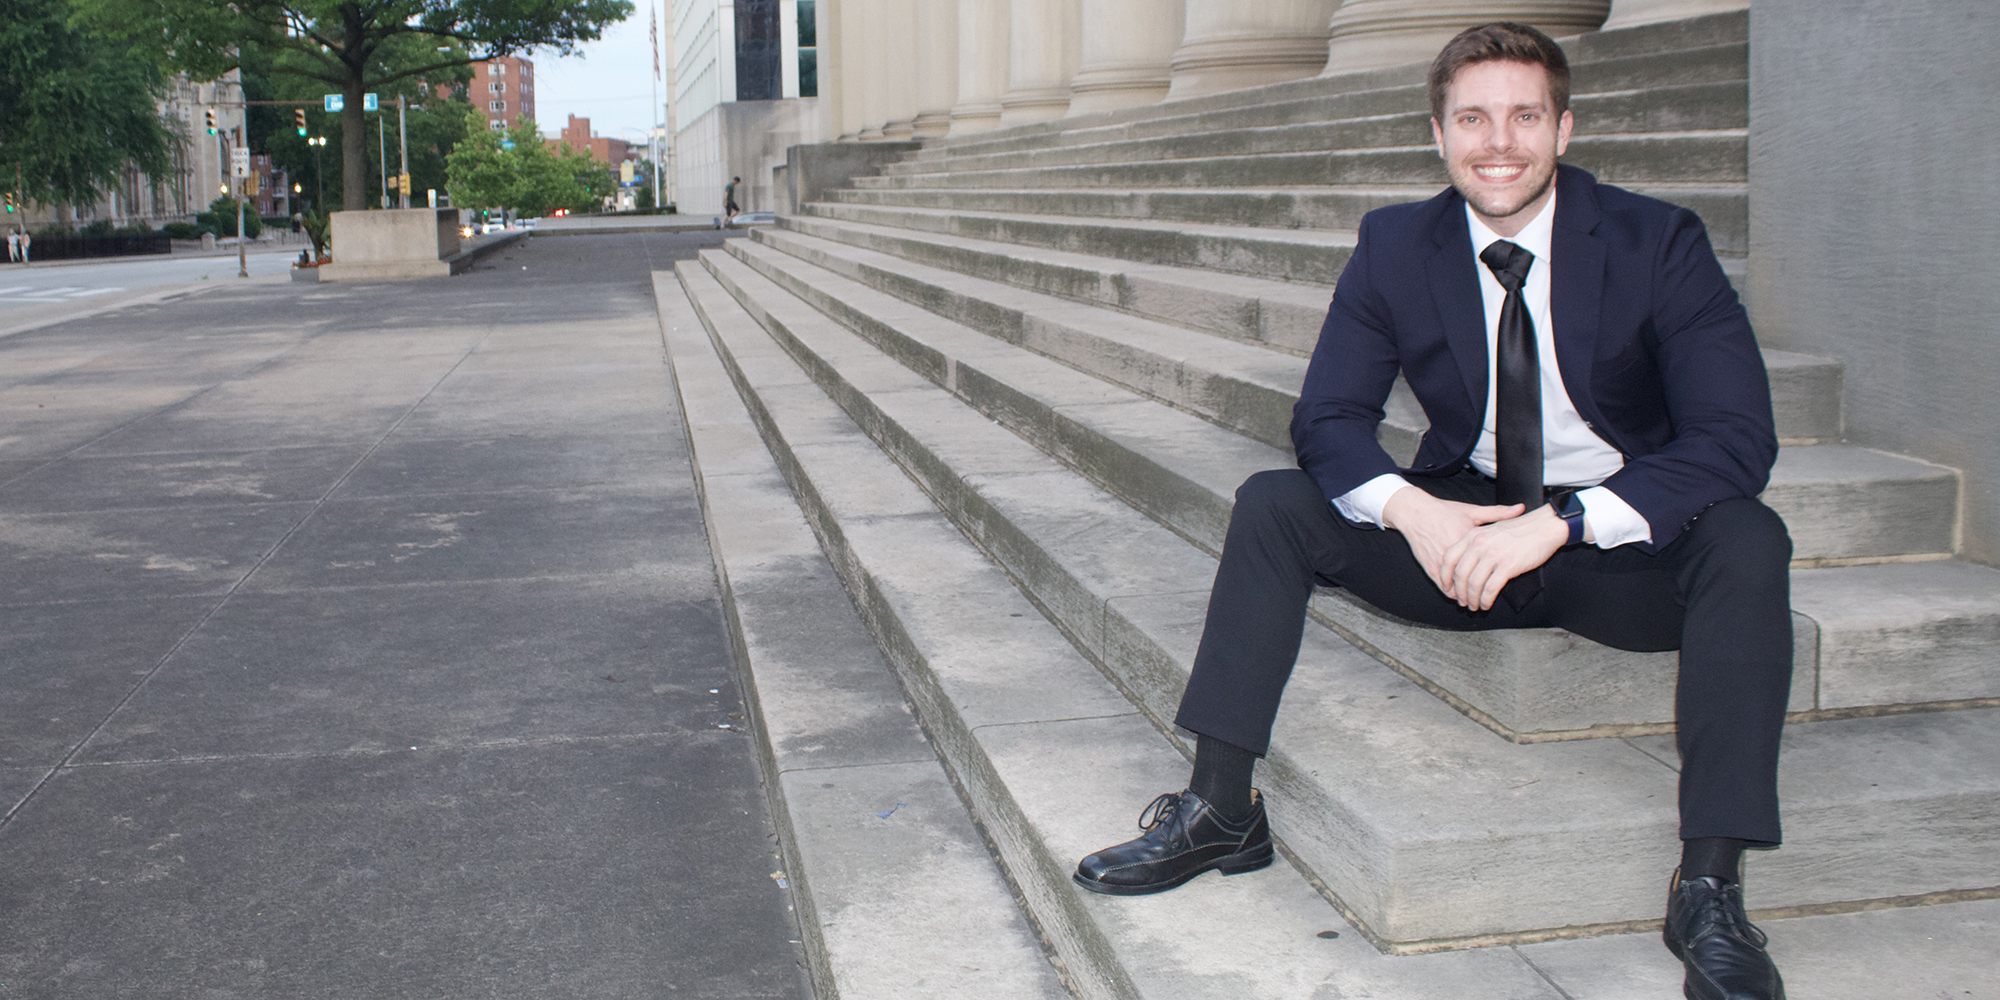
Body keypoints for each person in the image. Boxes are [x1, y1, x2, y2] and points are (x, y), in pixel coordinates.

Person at [1071, 22, 1789, 1000]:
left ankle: (1708, 885)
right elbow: (1325, 419)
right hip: (1461, 542)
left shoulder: (1654, 241)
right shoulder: (1395, 245)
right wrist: (1414, 512)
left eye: (1523, 116)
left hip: (1610, 555)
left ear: (1564, 129)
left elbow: (1735, 437)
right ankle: (1219, 807)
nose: (1498, 142)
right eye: (1472, 119)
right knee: (1274, 506)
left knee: (1749, 534)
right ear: (1438, 135)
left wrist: (1567, 522)